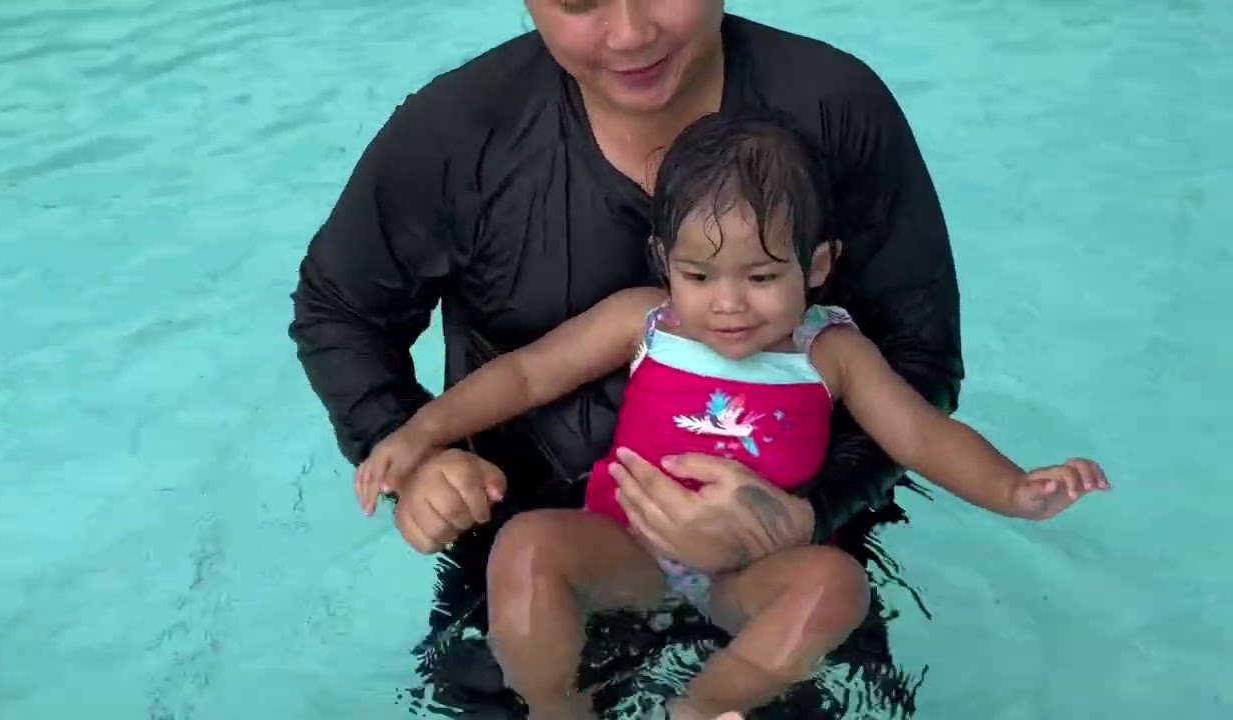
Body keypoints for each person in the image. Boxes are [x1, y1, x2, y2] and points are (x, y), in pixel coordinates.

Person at [290, 2, 964, 717]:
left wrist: (805, 512)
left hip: (785, 568)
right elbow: (340, 310)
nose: (631, 34)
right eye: (581, 0)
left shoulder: (834, 109)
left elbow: (919, 359)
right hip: (540, 556)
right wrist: (416, 454)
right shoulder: (459, 132)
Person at [354, 112, 1109, 720]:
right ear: (662, 260)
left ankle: (703, 707)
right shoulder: (643, 324)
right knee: (522, 547)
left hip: (747, 574)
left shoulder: (831, 351)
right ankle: (556, 708)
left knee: (836, 587)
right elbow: (523, 374)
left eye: (762, 275)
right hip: (624, 547)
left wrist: (1014, 489)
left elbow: (919, 432)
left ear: (816, 266)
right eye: (698, 274)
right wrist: (421, 432)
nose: (728, 303)